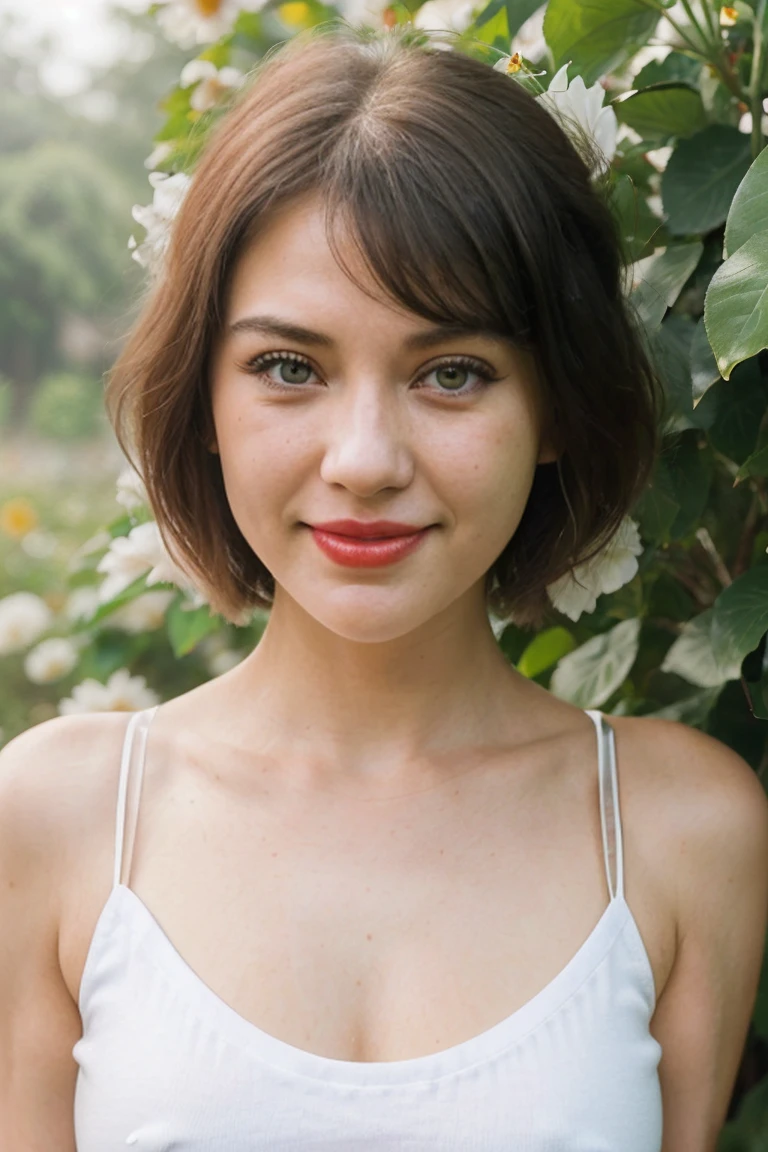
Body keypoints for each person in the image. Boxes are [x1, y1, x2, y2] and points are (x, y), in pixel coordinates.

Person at [1, 22, 767, 1152]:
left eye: (451, 373)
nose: (364, 458)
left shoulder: (679, 829)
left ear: (553, 409)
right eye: (288, 368)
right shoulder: (60, 816)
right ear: (202, 401)